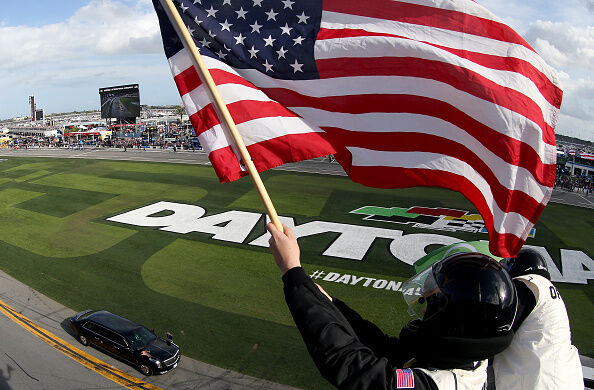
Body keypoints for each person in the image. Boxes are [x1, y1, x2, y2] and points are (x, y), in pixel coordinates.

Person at [267, 223, 518, 389]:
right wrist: (326, 301)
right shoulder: (464, 357)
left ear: (454, 322)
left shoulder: (442, 383)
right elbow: (383, 346)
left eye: (432, 302)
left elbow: (352, 366)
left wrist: (292, 271)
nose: (423, 304)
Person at [493, 249, 583, 389]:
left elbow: (496, 329)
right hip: (567, 379)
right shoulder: (548, 291)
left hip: (538, 381)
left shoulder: (528, 284)